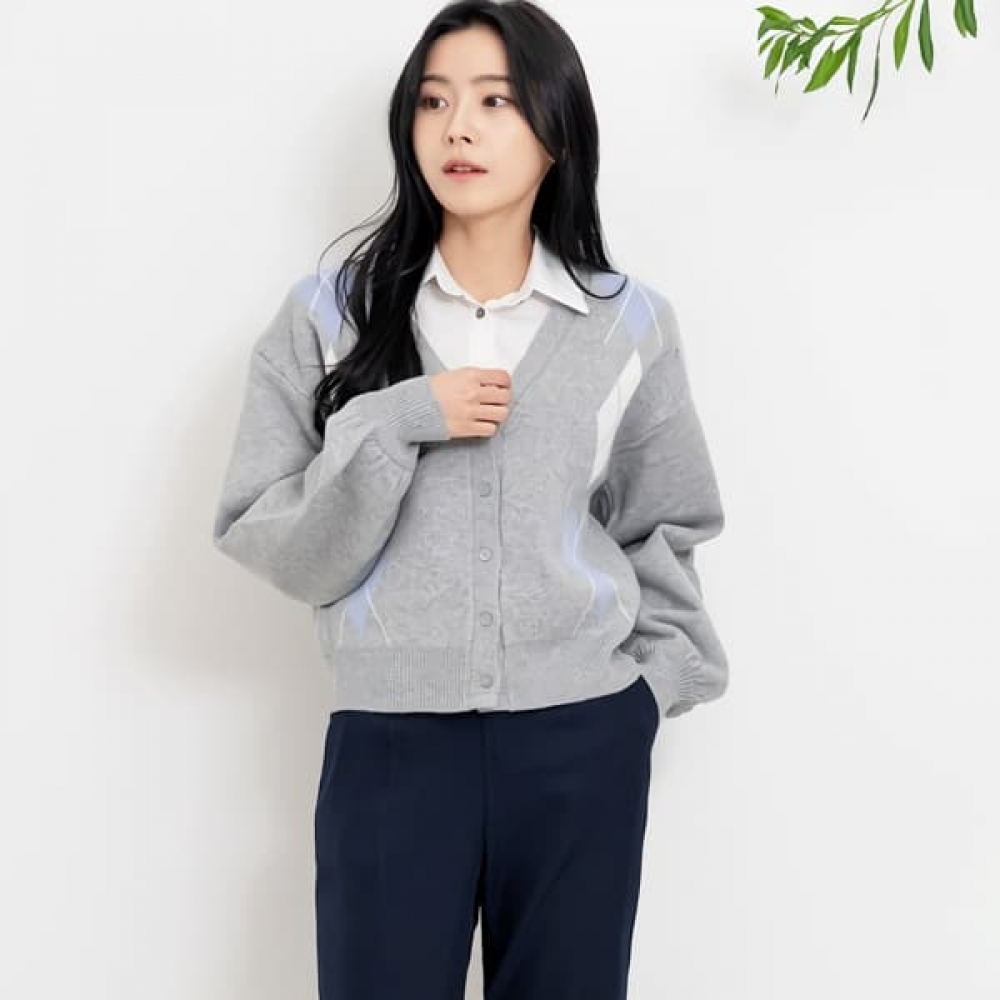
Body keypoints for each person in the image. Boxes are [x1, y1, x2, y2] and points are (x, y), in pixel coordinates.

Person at [211, 1, 729, 997]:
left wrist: (642, 700)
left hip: (581, 742)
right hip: (391, 748)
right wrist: (395, 419)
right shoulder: (329, 316)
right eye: (434, 101)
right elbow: (268, 534)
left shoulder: (628, 324)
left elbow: (667, 520)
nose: (458, 128)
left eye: (495, 101)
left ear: (556, 129)